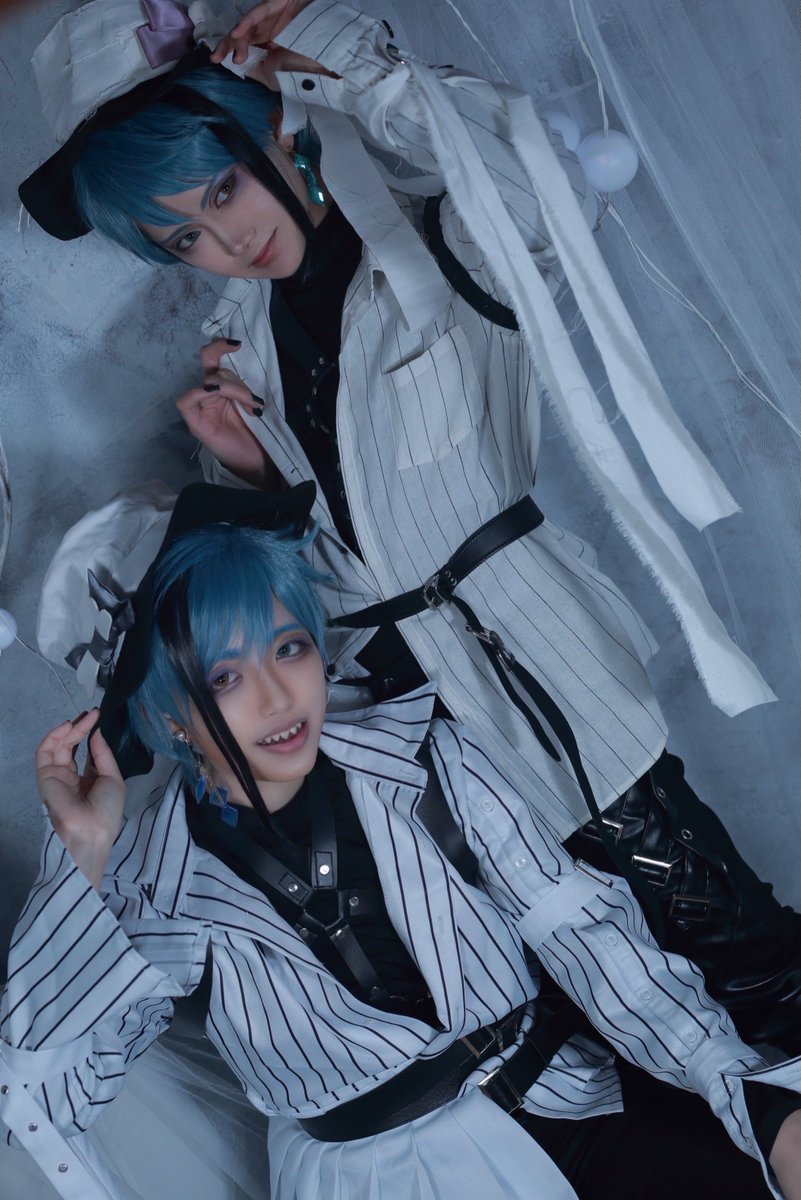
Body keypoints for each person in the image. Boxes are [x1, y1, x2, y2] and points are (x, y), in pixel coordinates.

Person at [18, 0, 801, 1052]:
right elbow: (303, 582)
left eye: (222, 188)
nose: (228, 241)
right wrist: (249, 475)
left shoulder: (431, 239)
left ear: (269, 124)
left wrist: (346, 56)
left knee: (706, 915)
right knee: (566, 958)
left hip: (522, 644)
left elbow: (535, 190)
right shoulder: (240, 347)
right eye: (185, 235)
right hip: (386, 707)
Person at [4, 478, 801, 1200]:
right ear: (167, 713)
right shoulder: (150, 891)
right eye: (224, 677)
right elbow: (37, 1107)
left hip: (574, 1100)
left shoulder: (430, 759)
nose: (280, 696)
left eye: (289, 647)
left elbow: (591, 943)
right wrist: (80, 855)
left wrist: (751, 1102)